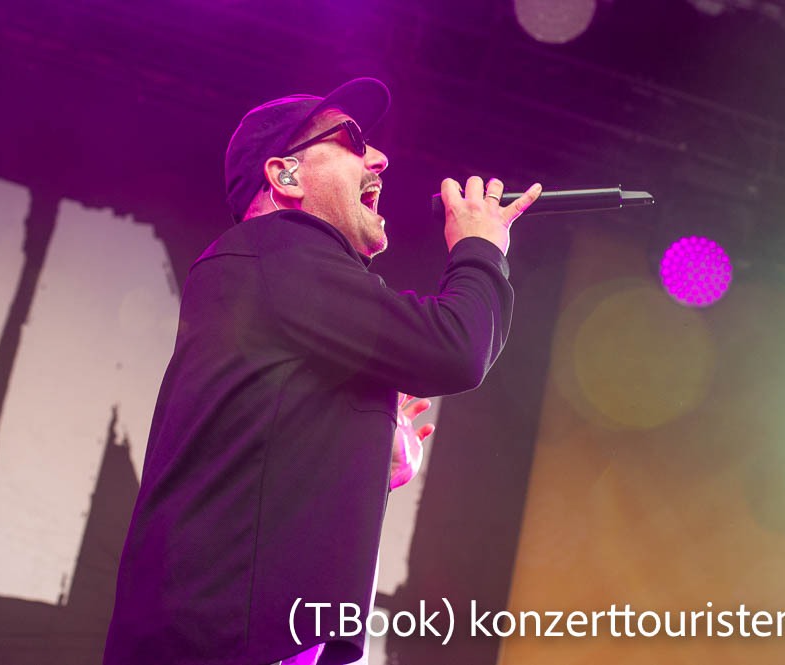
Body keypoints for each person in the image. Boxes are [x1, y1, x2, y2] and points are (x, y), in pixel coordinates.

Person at [103, 77, 541, 665]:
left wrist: (368, 455)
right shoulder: (278, 250)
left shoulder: (281, 283)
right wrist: (481, 249)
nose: (380, 159)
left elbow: (263, 466)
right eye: (352, 141)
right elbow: (456, 346)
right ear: (286, 176)